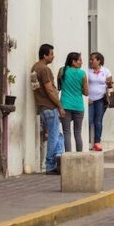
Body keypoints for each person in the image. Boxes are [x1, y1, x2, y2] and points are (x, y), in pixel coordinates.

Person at [31, 44, 65, 174]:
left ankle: (58, 158)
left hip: (42, 106)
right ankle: (50, 164)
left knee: (58, 135)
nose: (53, 56)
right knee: (54, 136)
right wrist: (59, 105)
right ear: (45, 55)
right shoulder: (44, 69)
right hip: (49, 107)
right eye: (51, 54)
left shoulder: (35, 68)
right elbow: (49, 90)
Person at [58, 52, 88, 152]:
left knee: (66, 132)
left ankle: (68, 156)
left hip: (65, 105)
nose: (82, 62)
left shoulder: (62, 70)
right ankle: (79, 156)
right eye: (79, 60)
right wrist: (79, 88)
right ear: (73, 62)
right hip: (78, 106)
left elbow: (59, 86)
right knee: (78, 132)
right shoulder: (82, 73)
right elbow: (86, 92)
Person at [87, 52, 113, 151]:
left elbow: (110, 85)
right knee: (89, 120)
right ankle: (88, 141)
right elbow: (84, 85)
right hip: (90, 100)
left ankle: (97, 142)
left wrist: (109, 83)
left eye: (92, 59)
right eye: (90, 59)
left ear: (99, 61)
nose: (91, 61)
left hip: (101, 99)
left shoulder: (106, 71)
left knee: (98, 121)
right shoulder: (88, 71)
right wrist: (87, 97)